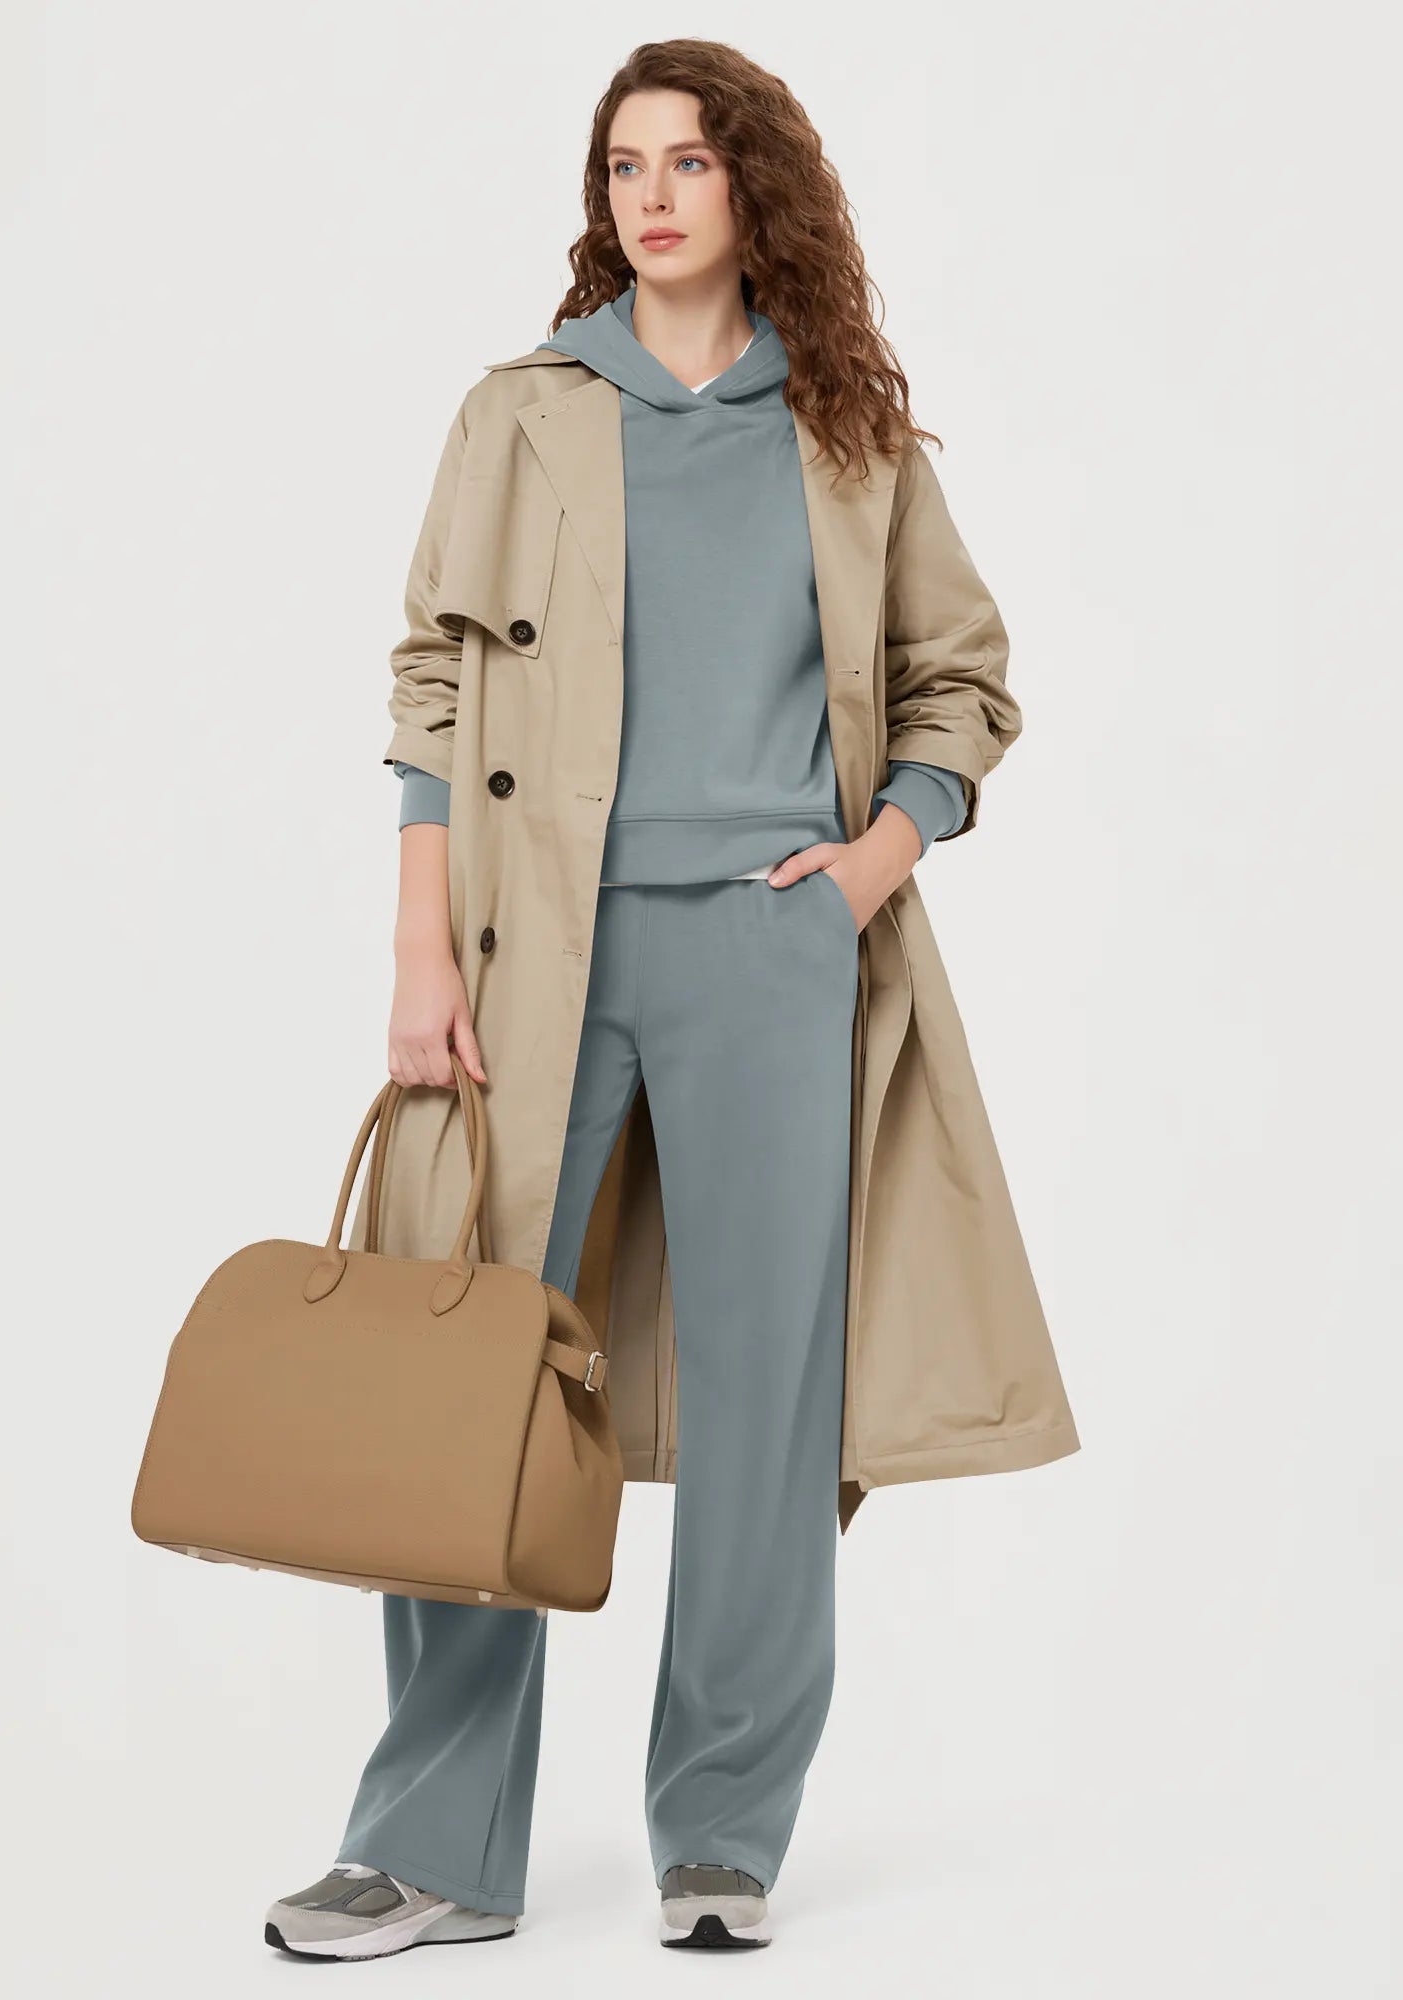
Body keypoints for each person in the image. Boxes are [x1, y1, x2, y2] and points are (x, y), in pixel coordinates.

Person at [264, 37, 1068, 1961]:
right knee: (471, 1381)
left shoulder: (850, 434)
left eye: (690, 161)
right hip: (528, 955)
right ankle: (435, 1848)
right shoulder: (524, 412)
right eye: (625, 164)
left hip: (771, 951)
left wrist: (869, 865)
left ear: (755, 185)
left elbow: (963, 682)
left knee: (770, 1401)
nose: (652, 195)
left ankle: (723, 1832)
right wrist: (415, 954)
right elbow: (433, 685)